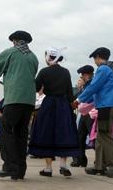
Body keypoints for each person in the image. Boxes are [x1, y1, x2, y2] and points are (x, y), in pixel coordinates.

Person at [0, 30, 39, 180]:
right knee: (21, 133)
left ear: (14, 40)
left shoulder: (11, 52)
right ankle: (20, 170)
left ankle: (9, 166)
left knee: (6, 130)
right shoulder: (33, 57)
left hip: (14, 99)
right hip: (29, 102)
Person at [73, 47, 113, 178]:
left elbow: (93, 86)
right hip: (107, 106)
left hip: (107, 106)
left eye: (94, 58)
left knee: (106, 136)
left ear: (97, 57)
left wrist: (79, 99)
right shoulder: (111, 69)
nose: (95, 61)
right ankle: (99, 166)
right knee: (101, 137)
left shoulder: (103, 69)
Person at [28, 47, 79, 177]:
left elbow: (37, 87)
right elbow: (69, 92)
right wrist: (71, 105)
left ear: (49, 57)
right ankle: (63, 165)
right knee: (64, 133)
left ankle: (48, 168)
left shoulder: (44, 72)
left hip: (49, 104)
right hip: (63, 105)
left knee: (47, 134)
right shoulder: (66, 72)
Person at [71, 65, 95, 167]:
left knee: (93, 137)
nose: (81, 77)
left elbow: (88, 97)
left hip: (91, 113)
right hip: (84, 114)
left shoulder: (93, 83)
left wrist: (78, 101)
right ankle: (81, 160)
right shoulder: (86, 85)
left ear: (86, 74)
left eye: (82, 75)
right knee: (80, 137)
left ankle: (100, 160)